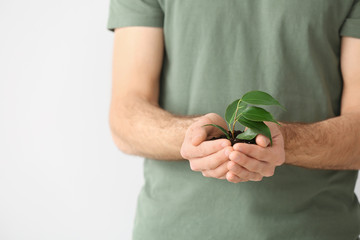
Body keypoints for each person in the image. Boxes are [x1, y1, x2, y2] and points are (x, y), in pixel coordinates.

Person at [106, 0, 360, 239]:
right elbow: (126, 113)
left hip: (314, 230)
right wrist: (193, 136)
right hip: (175, 229)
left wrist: (288, 142)